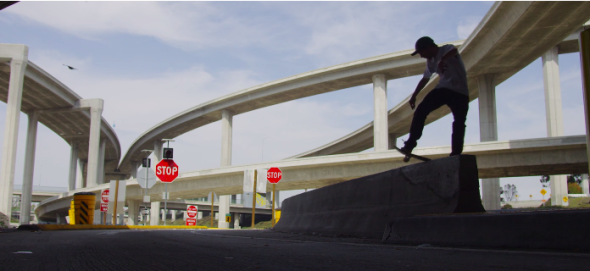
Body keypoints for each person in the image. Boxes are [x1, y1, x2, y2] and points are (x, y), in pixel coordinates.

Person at [399, 36, 469, 157]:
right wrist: (414, 95)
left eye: (422, 52)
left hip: (461, 93)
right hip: (443, 89)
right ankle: (409, 145)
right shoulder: (430, 62)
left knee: (459, 122)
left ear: (429, 47)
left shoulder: (446, 49)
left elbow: (455, 51)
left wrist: (443, 60)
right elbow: (425, 78)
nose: (421, 56)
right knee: (421, 111)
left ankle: (456, 154)